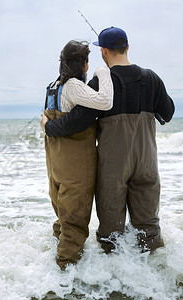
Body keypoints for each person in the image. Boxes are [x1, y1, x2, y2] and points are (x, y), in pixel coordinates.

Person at [41, 27, 175, 254]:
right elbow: (168, 113)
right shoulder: (151, 78)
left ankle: (113, 282)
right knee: (149, 227)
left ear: (104, 52)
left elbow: (77, 121)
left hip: (114, 166)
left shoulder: (100, 84)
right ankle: (155, 277)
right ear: (127, 47)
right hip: (147, 162)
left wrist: (49, 126)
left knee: (111, 233)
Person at [42, 40, 114, 269]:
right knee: (74, 221)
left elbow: (49, 121)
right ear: (83, 64)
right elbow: (105, 101)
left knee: (63, 219)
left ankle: (47, 267)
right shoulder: (73, 86)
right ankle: (63, 280)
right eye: (87, 63)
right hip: (75, 165)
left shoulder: (53, 86)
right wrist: (102, 72)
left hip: (55, 164)